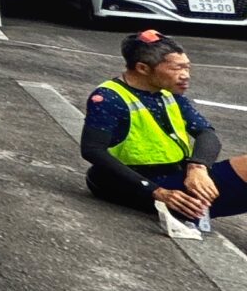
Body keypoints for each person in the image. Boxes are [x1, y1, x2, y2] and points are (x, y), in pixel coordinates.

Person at [81, 30, 245, 231]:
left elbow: (206, 133)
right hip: (135, 184)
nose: (186, 75)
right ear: (142, 68)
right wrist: (157, 191)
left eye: (187, 67)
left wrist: (198, 167)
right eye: (177, 68)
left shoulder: (168, 93)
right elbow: (92, 150)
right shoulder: (108, 97)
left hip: (176, 176)